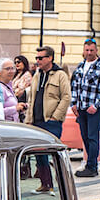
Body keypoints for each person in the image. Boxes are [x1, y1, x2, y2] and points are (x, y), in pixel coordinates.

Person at [23, 46, 71, 191]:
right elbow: (31, 98)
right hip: (36, 121)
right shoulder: (37, 75)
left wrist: (56, 117)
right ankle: (46, 183)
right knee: (39, 154)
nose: (37, 61)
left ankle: (63, 184)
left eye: (40, 58)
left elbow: (66, 97)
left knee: (53, 153)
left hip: (51, 122)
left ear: (50, 58)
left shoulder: (60, 75)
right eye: (36, 58)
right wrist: (29, 119)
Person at [70, 39, 100, 177]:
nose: (89, 53)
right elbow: (75, 86)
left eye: (91, 50)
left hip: (94, 108)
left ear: (96, 51)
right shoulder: (80, 66)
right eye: (87, 50)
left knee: (93, 137)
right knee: (85, 137)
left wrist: (97, 105)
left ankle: (92, 166)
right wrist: (74, 104)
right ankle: (89, 163)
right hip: (81, 108)